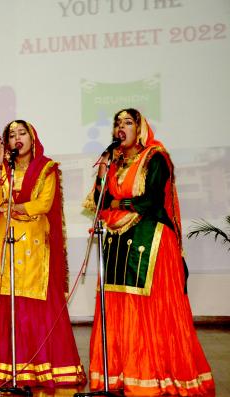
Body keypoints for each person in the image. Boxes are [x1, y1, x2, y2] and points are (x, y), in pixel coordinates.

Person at [84, 108, 214, 395]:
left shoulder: (156, 158)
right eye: (117, 123)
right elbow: (99, 201)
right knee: (119, 307)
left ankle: (154, 374)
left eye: (127, 122)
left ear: (140, 128)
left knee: (149, 310)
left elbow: (150, 201)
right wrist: (103, 175)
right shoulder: (114, 161)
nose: (121, 127)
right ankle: (122, 374)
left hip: (152, 240)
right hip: (119, 240)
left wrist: (117, 205)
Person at [0, 120, 85, 388]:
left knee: (30, 305)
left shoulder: (46, 169)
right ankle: (2, 370)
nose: (16, 138)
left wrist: (13, 207)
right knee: (1, 302)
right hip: (1, 243)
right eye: (11, 135)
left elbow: (43, 203)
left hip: (32, 245)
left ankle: (34, 369)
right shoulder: (0, 168)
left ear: (32, 138)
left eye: (21, 133)